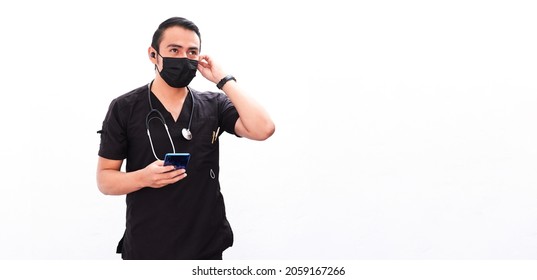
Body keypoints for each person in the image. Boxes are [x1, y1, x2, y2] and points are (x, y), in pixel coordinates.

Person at [96, 16, 275, 260]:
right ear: (153, 55)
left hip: (205, 246)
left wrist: (223, 80)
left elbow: (263, 128)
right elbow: (105, 180)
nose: (183, 58)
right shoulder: (125, 108)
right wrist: (144, 177)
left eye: (192, 52)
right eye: (174, 50)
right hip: (148, 246)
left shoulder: (214, 105)